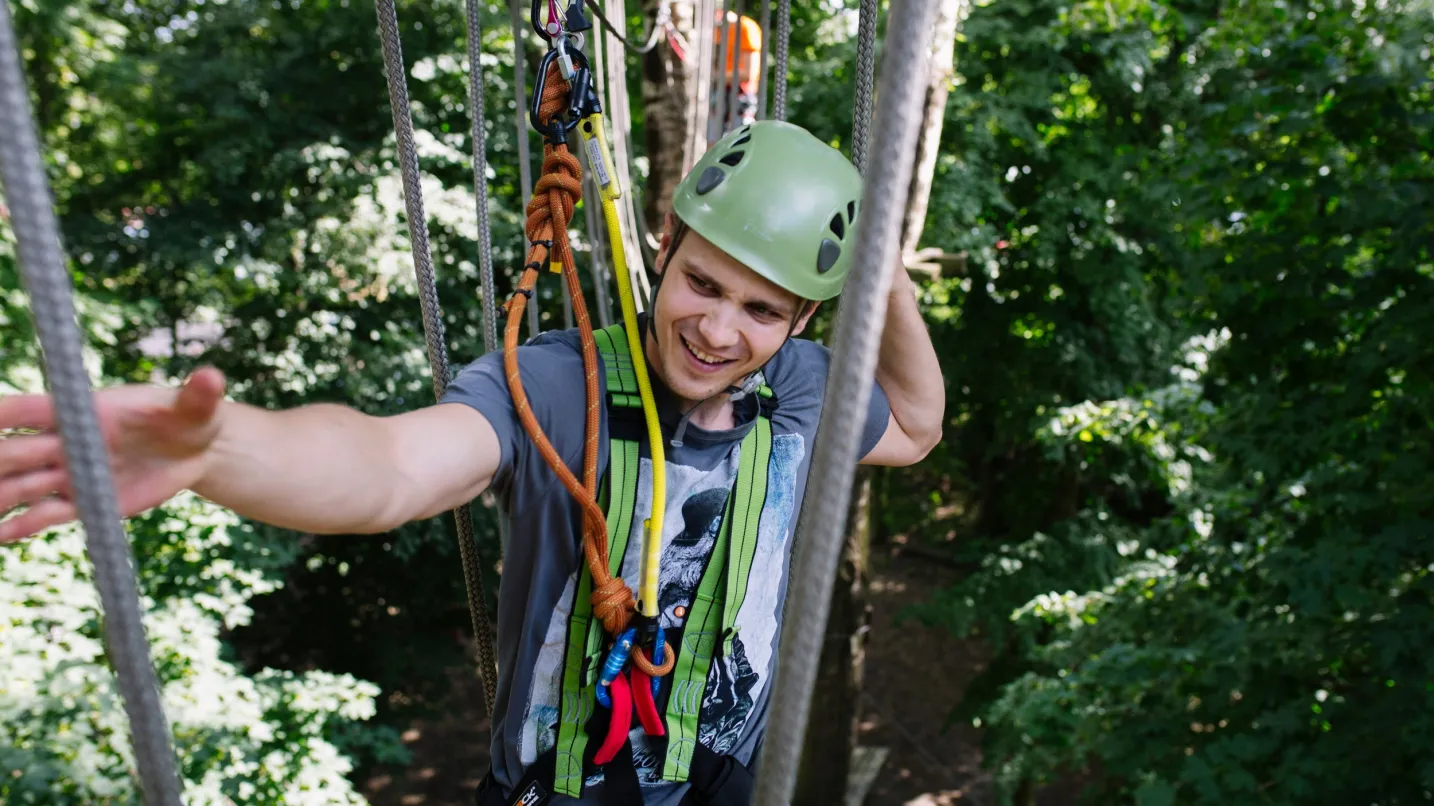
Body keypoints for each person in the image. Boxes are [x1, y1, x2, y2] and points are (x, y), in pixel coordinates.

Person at [0, 121, 945, 805]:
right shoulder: (554, 385)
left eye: (762, 311)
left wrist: (884, 273)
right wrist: (222, 447)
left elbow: (914, 426)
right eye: (702, 282)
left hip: (723, 781)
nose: (716, 328)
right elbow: (391, 467)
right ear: (665, 248)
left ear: (805, 322)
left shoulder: (804, 393)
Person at [715, 10, 762, 132]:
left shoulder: (745, 28)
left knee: (737, 142)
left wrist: (712, 76)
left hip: (739, 96)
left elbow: (748, 74)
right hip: (717, 94)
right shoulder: (715, 29)